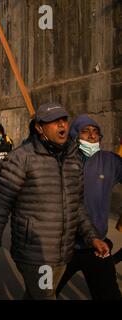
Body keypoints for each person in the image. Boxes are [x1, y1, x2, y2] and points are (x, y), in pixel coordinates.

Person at [0, 102, 110, 300]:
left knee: (38, 295)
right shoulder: (21, 158)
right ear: (39, 128)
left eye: (64, 120)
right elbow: (1, 204)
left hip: (63, 252)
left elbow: (77, 206)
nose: (62, 126)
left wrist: (92, 237)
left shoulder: (73, 158)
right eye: (54, 122)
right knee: (45, 296)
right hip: (35, 254)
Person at [55, 114, 121, 299]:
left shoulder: (110, 161)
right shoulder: (60, 160)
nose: (92, 136)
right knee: (42, 294)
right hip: (59, 248)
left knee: (110, 296)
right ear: (74, 135)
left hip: (97, 247)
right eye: (86, 131)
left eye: (96, 132)